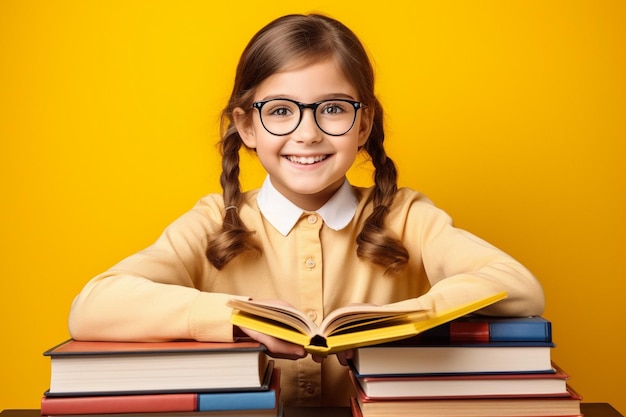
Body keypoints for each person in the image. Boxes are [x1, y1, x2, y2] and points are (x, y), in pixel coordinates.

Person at [68, 13, 545, 407]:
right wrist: (233, 316)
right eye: (280, 111)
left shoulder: (405, 216)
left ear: (364, 123)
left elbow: (520, 288)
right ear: (247, 126)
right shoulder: (215, 220)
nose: (307, 133)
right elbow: (92, 306)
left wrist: (400, 320)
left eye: (333, 109)